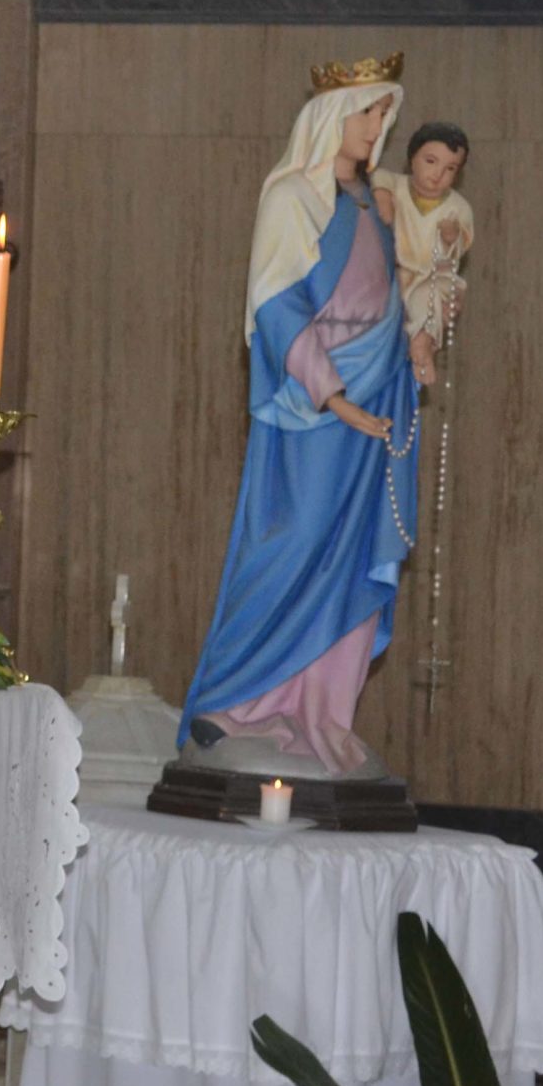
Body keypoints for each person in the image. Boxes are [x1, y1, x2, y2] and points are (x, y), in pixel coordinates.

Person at [179, 63, 418, 776]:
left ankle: (322, 716)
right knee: (294, 540)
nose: (376, 128)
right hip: (313, 406)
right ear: (328, 118)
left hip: (377, 395)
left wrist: (420, 333)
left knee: (352, 554)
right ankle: (234, 703)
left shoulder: (373, 202)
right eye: (365, 113)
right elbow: (278, 306)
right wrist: (333, 394)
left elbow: (390, 291)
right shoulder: (292, 196)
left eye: (383, 115)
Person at [371, 119, 476, 385]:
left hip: (433, 276)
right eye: (430, 161)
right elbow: (378, 175)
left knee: (427, 300)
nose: (438, 174)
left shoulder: (458, 207)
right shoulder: (397, 185)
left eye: (450, 168)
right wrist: (382, 196)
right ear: (411, 159)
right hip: (397, 272)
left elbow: (460, 246)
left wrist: (451, 238)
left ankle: (422, 343)